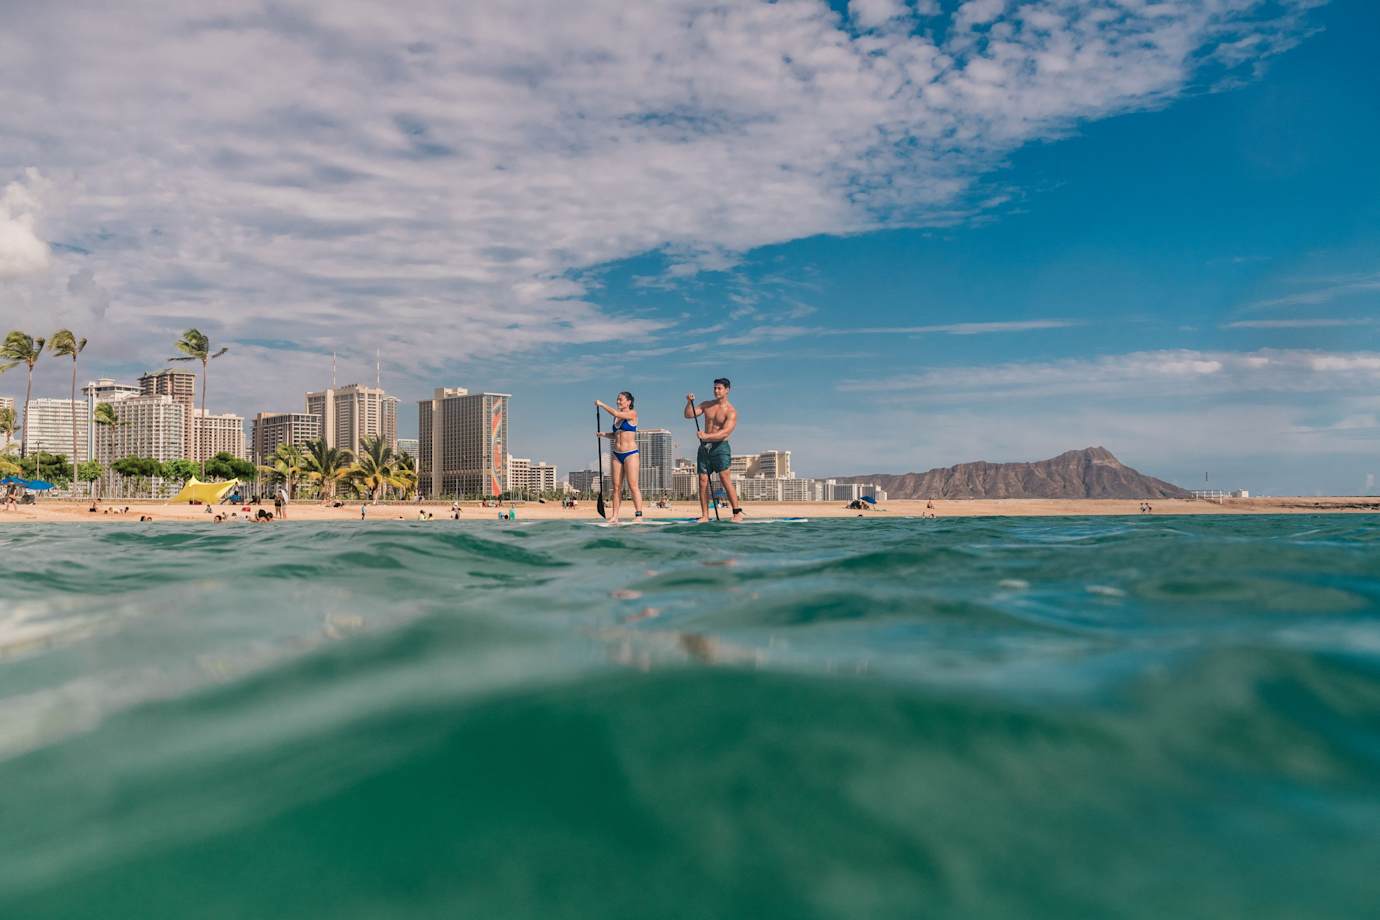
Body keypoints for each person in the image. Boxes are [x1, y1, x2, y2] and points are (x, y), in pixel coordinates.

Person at [685, 377, 743, 523]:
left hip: (720, 447)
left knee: (725, 478)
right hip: (704, 447)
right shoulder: (707, 405)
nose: (716, 391)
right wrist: (689, 402)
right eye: (715, 388)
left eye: (719, 388)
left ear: (727, 390)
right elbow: (688, 414)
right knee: (703, 480)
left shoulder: (731, 411)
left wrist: (706, 436)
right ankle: (705, 515)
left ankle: (737, 513)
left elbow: (725, 432)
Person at [596, 391, 645, 524]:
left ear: (628, 402)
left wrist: (601, 404)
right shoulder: (616, 418)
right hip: (616, 454)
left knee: (633, 485)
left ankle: (639, 515)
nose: (618, 402)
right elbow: (616, 434)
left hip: (631, 454)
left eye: (621, 400)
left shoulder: (632, 413)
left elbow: (616, 413)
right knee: (616, 487)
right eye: (617, 399)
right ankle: (615, 516)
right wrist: (604, 434)